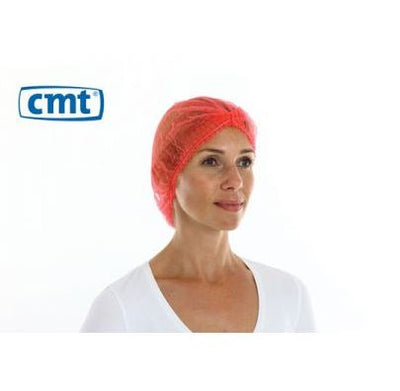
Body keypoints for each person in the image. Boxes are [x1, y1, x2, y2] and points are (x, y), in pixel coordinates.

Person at [80, 96, 316, 332]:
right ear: (168, 173)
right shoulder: (123, 308)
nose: (235, 181)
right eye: (211, 161)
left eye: (244, 162)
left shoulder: (288, 296)